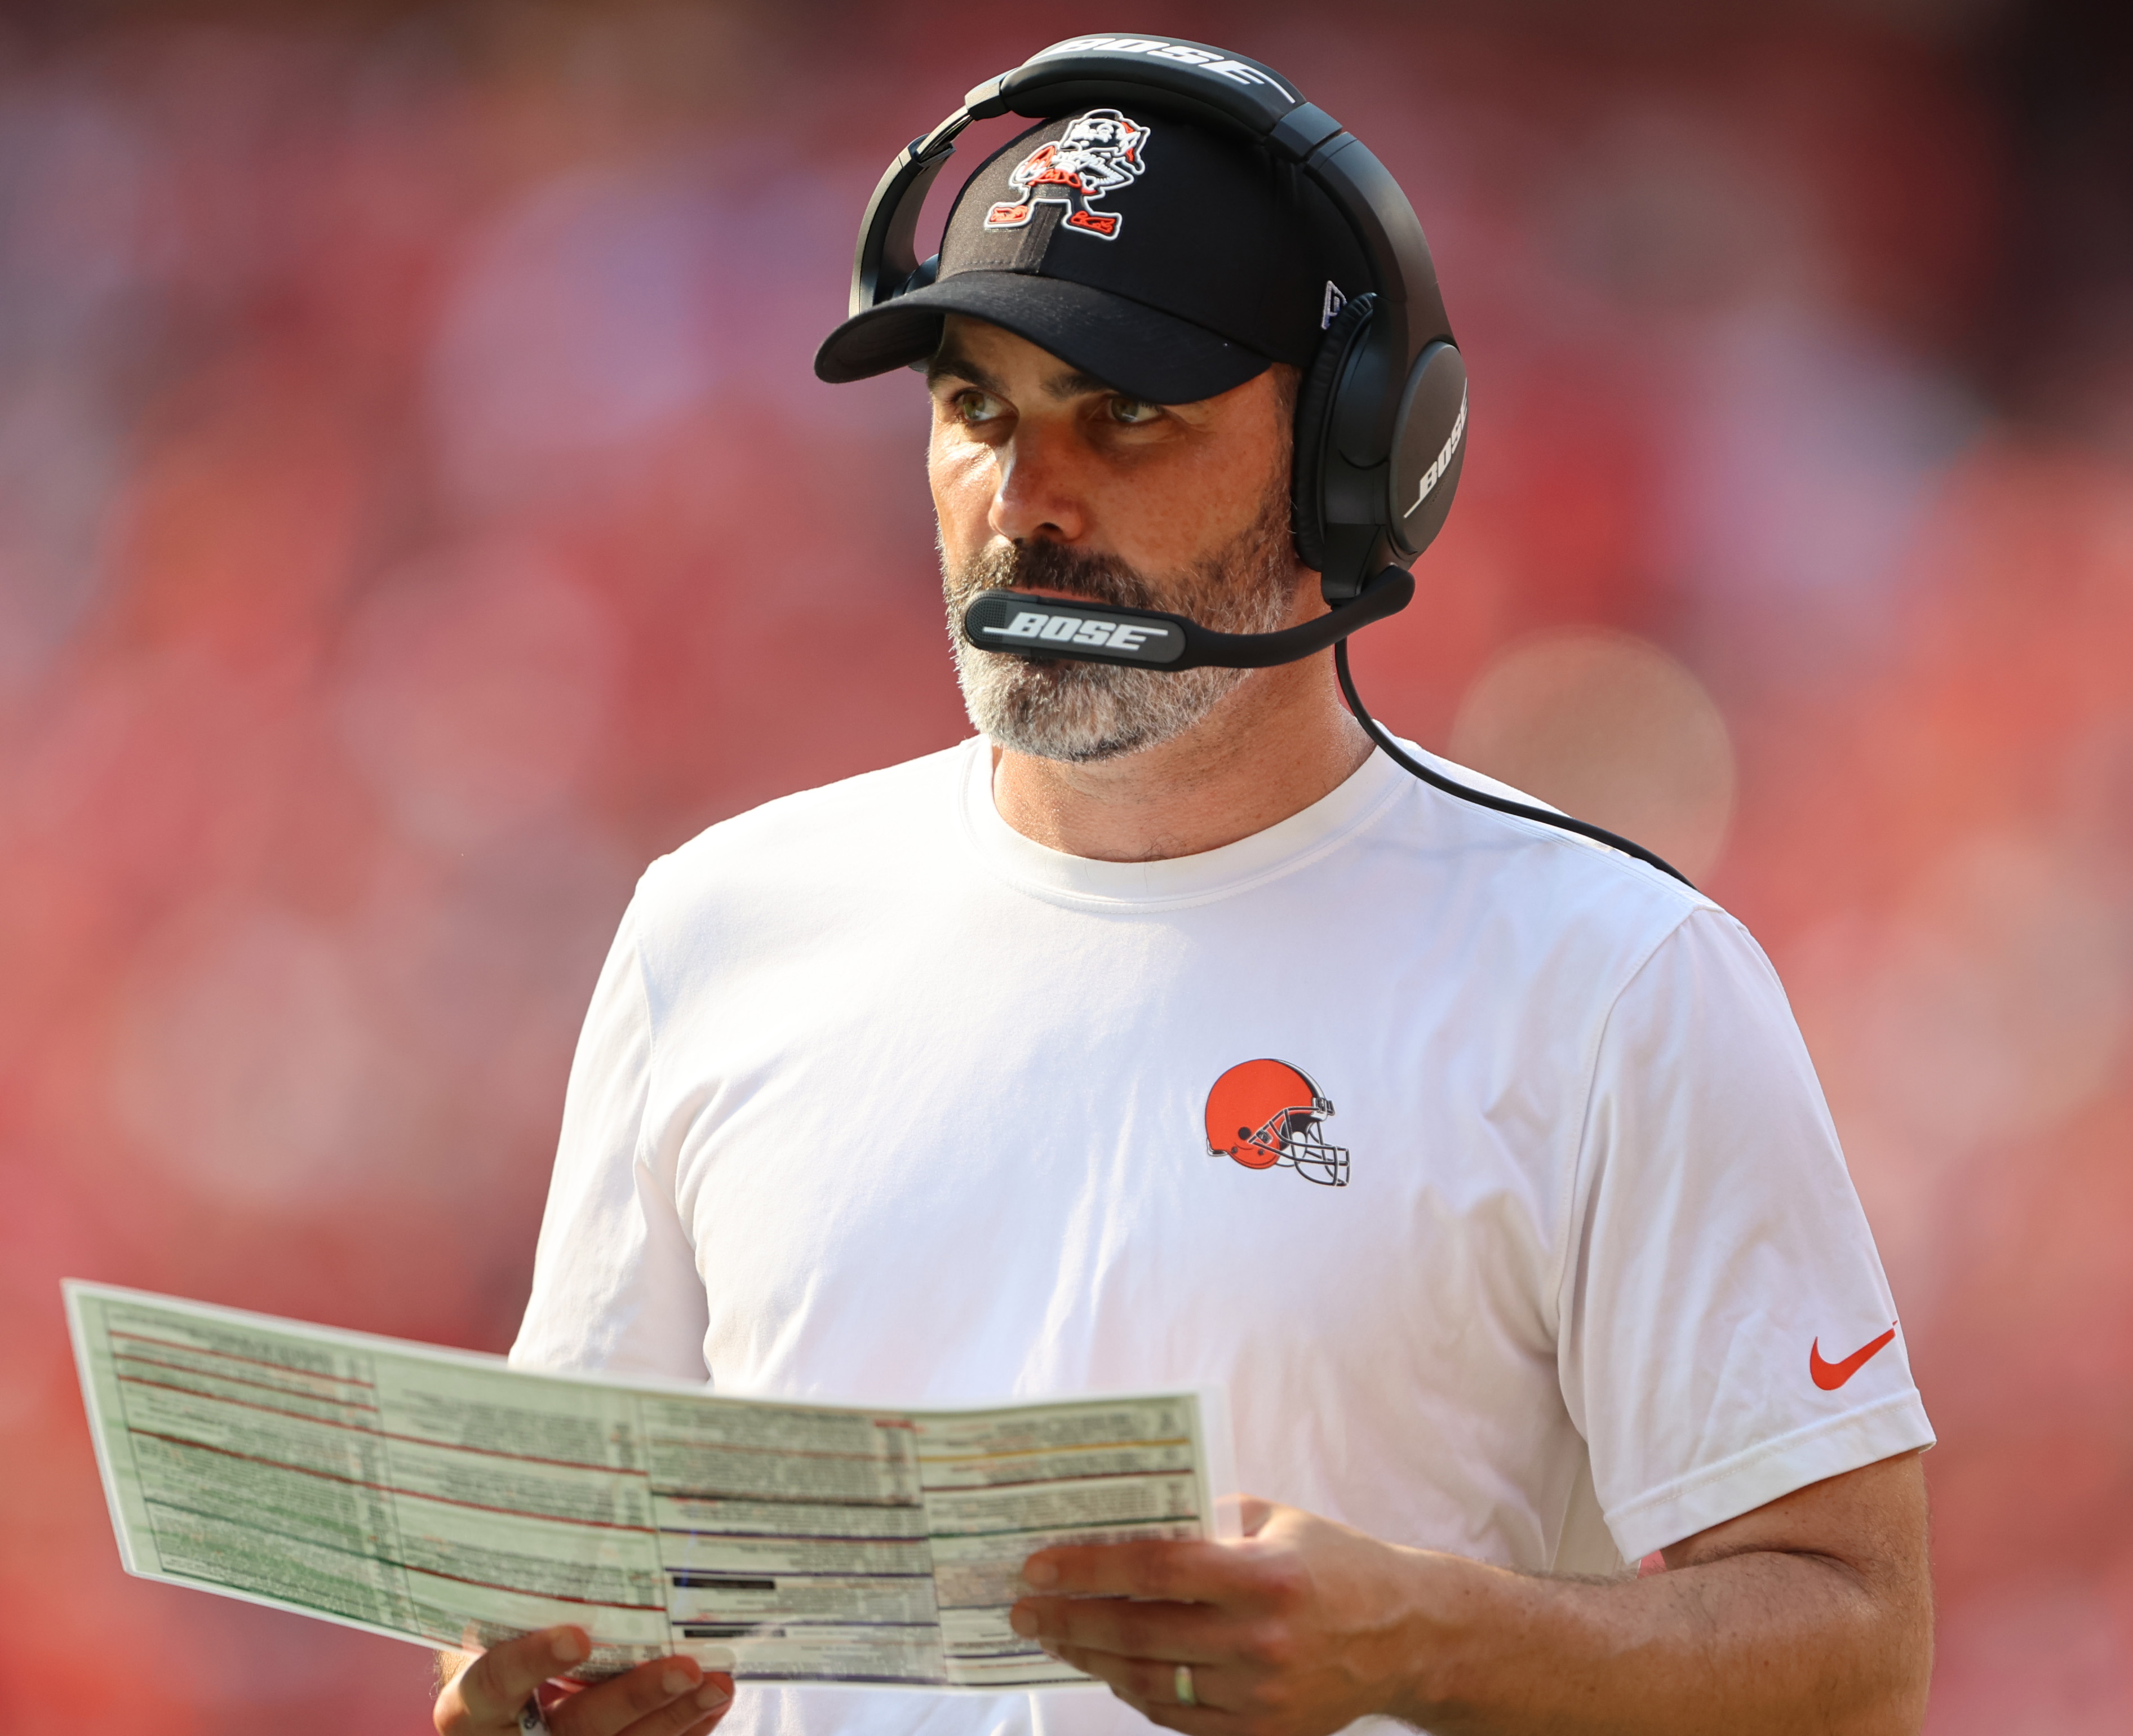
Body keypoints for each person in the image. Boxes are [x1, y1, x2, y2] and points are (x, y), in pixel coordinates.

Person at [436, 39, 1935, 1736]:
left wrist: (1425, 1642)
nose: (1023, 500)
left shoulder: (1609, 978)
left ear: (1351, 461)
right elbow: (563, 1589)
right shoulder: (710, 928)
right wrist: (528, 1697)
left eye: (1125, 414)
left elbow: (1856, 1650)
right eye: (973, 409)